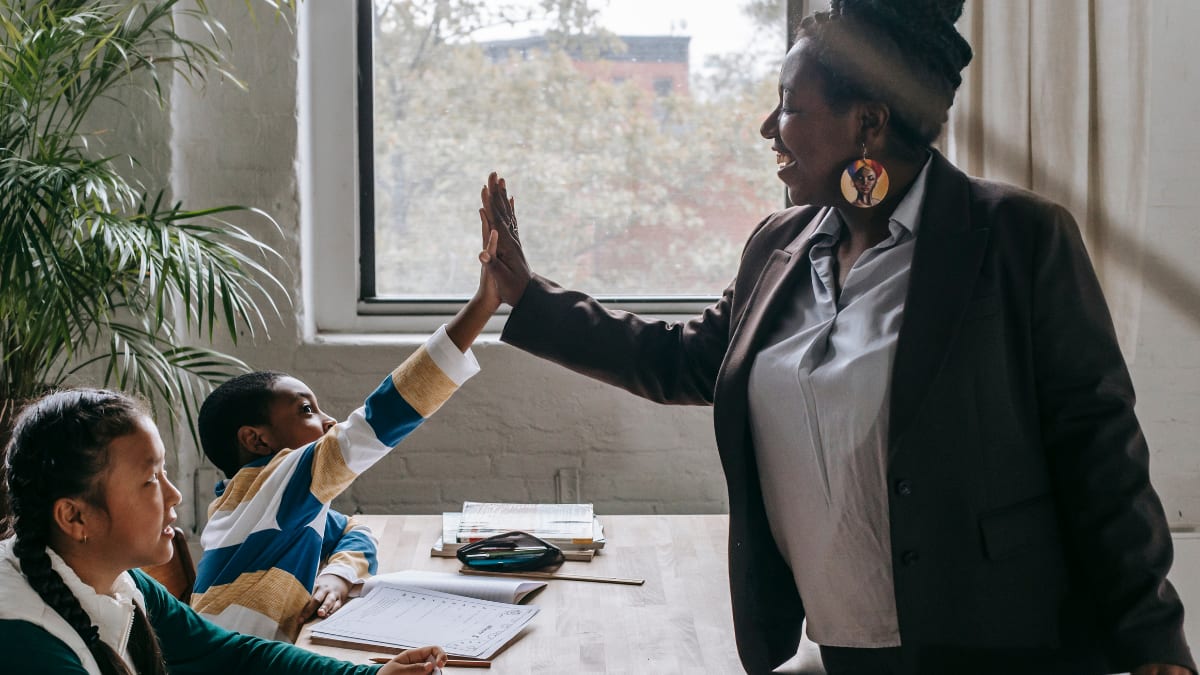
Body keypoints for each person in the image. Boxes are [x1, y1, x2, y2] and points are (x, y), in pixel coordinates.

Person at [476, 0, 1197, 673]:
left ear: (869, 125)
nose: (768, 127)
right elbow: (687, 359)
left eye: (789, 105)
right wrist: (528, 296)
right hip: (839, 644)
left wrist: (1154, 633)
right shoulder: (778, 246)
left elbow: (1098, 442)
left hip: (991, 639)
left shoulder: (1016, 239)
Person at [190, 221, 501, 642]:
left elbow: (355, 530)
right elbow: (382, 418)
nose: (329, 421)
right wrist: (483, 304)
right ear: (257, 440)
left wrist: (336, 575)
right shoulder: (274, 482)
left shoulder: (269, 502)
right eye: (306, 410)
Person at [0, 388, 448, 675]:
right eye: (149, 481)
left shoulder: (121, 581)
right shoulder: (28, 642)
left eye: (165, 472)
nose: (175, 496)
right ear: (75, 518)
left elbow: (235, 655)